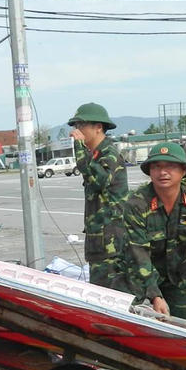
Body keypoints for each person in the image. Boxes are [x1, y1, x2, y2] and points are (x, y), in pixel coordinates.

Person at [122, 142, 186, 326]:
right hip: (139, 275)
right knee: (135, 325)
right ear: (150, 171)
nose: (163, 172)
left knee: (181, 327)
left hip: (178, 276)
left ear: (183, 171)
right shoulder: (136, 204)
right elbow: (138, 254)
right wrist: (154, 296)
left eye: (170, 166)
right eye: (157, 166)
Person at [67, 102, 128, 289]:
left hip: (111, 245)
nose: (77, 131)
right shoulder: (94, 154)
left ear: (98, 127)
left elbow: (99, 179)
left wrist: (78, 148)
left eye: (81, 125)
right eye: (76, 126)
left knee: (112, 297)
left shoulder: (108, 154)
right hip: (99, 242)